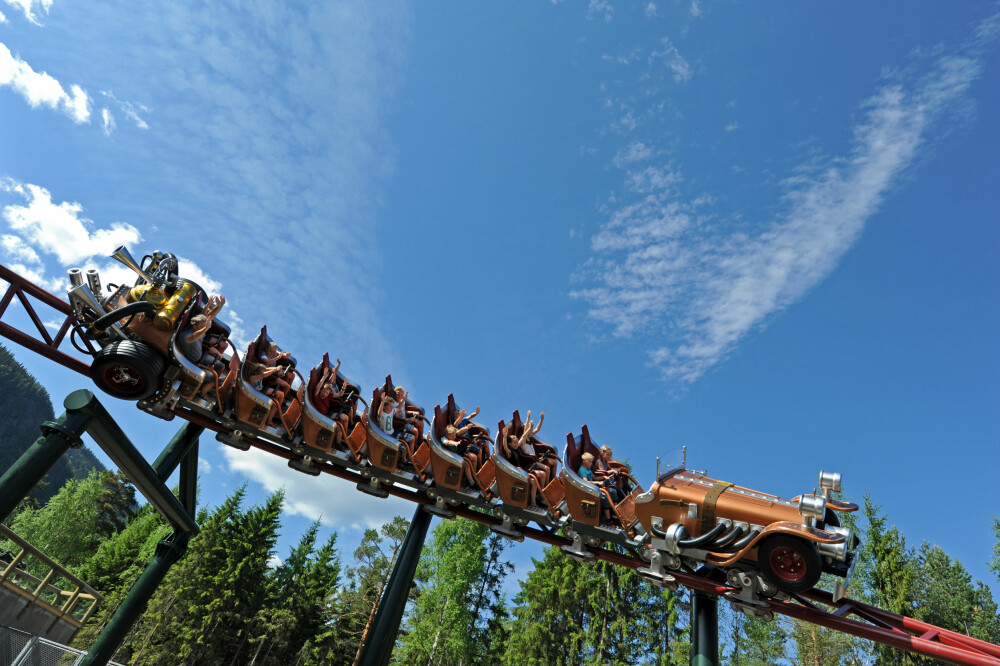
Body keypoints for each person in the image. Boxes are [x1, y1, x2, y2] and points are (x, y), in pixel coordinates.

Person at [578, 453, 613, 524]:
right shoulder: (582, 470)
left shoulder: (588, 469)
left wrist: (603, 478)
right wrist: (598, 483)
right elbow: (586, 482)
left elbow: (595, 478)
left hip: (595, 487)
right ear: (584, 461)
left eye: (591, 461)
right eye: (590, 461)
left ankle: (614, 512)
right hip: (589, 490)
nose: (591, 463)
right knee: (605, 497)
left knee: (612, 491)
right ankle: (608, 520)